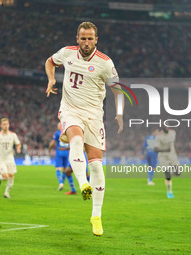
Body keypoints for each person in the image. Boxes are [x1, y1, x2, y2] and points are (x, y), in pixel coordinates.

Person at [45, 21, 123, 236]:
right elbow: (50, 62)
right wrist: (51, 79)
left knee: (97, 166)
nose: (86, 42)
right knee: (75, 140)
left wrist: (119, 113)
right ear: (77, 38)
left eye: (90, 38)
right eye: (83, 38)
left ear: (96, 40)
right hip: (70, 110)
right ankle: (82, 183)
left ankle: (96, 215)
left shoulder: (105, 63)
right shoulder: (67, 53)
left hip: (95, 116)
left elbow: (118, 90)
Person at [0, 118, 21, 199]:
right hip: (1, 158)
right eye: (4, 124)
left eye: (7, 124)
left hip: (10, 158)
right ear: (1, 125)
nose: (5, 126)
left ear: (9, 125)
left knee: (11, 176)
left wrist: (18, 148)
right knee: (5, 176)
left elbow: (18, 143)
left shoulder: (13, 135)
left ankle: (7, 193)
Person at [154, 125, 179, 199]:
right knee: (168, 176)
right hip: (163, 157)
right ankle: (169, 192)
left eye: (168, 126)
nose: (167, 128)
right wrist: (165, 150)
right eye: (165, 127)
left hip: (172, 156)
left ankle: (169, 173)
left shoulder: (173, 133)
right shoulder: (159, 136)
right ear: (162, 128)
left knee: (178, 173)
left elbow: (173, 143)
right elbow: (155, 149)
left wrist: (175, 149)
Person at [48, 123, 70, 191]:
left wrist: (49, 149)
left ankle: (61, 183)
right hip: (66, 152)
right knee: (64, 169)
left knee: (58, 168)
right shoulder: (68, 132)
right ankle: (62, 182)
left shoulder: (57, 133)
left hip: (59, 152)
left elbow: (52, 142)